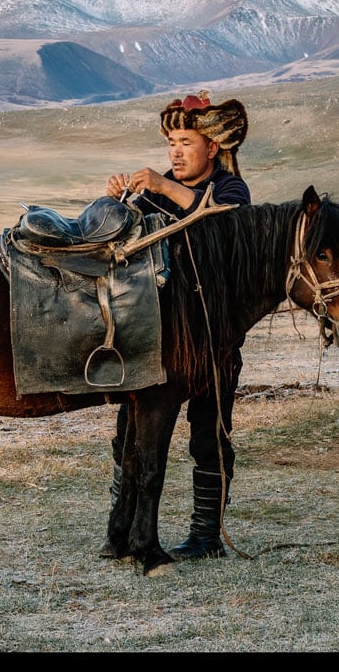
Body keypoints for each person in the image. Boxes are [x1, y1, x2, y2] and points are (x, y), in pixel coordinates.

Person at [104, 94, 249, 560]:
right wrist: (116, 202)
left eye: (186, 142)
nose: (175, 152)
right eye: (171, 142)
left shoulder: (231, 190)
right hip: (161, 337)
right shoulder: (157, 190)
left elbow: (227, 226)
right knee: (132, 429)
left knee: (210, 435)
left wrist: (165, 191)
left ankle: (206, 536)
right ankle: (121, 527)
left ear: (212, 148)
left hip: (215, 340)